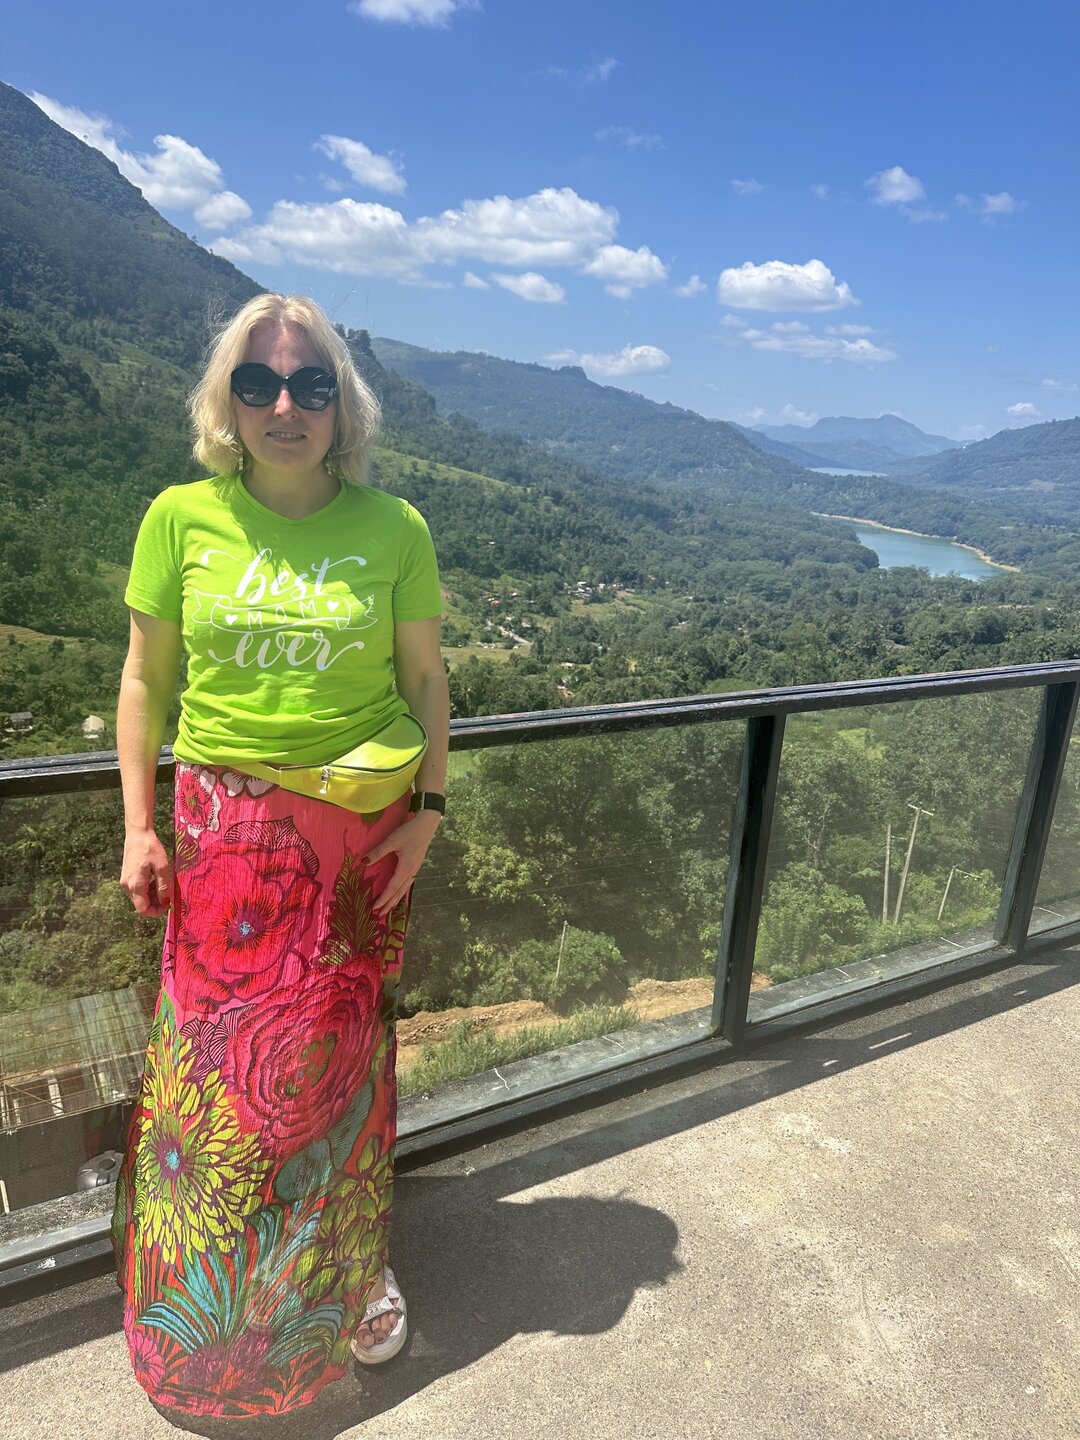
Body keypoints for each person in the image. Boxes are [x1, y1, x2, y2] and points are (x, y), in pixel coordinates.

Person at [113, 293, 448, 1418]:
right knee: (214, 1080)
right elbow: (144, 683)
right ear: (229, 402)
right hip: (224, 835)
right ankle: (200, 1307)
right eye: (258, 384)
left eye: (311, 385)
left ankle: (349, 1276)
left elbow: (426, 680)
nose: (285, 406)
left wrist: (430, 810)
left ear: (342, 405)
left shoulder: (394, 528)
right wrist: (141, 826)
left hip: (360, 836)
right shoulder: (179, 519)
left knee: (342, 1069)